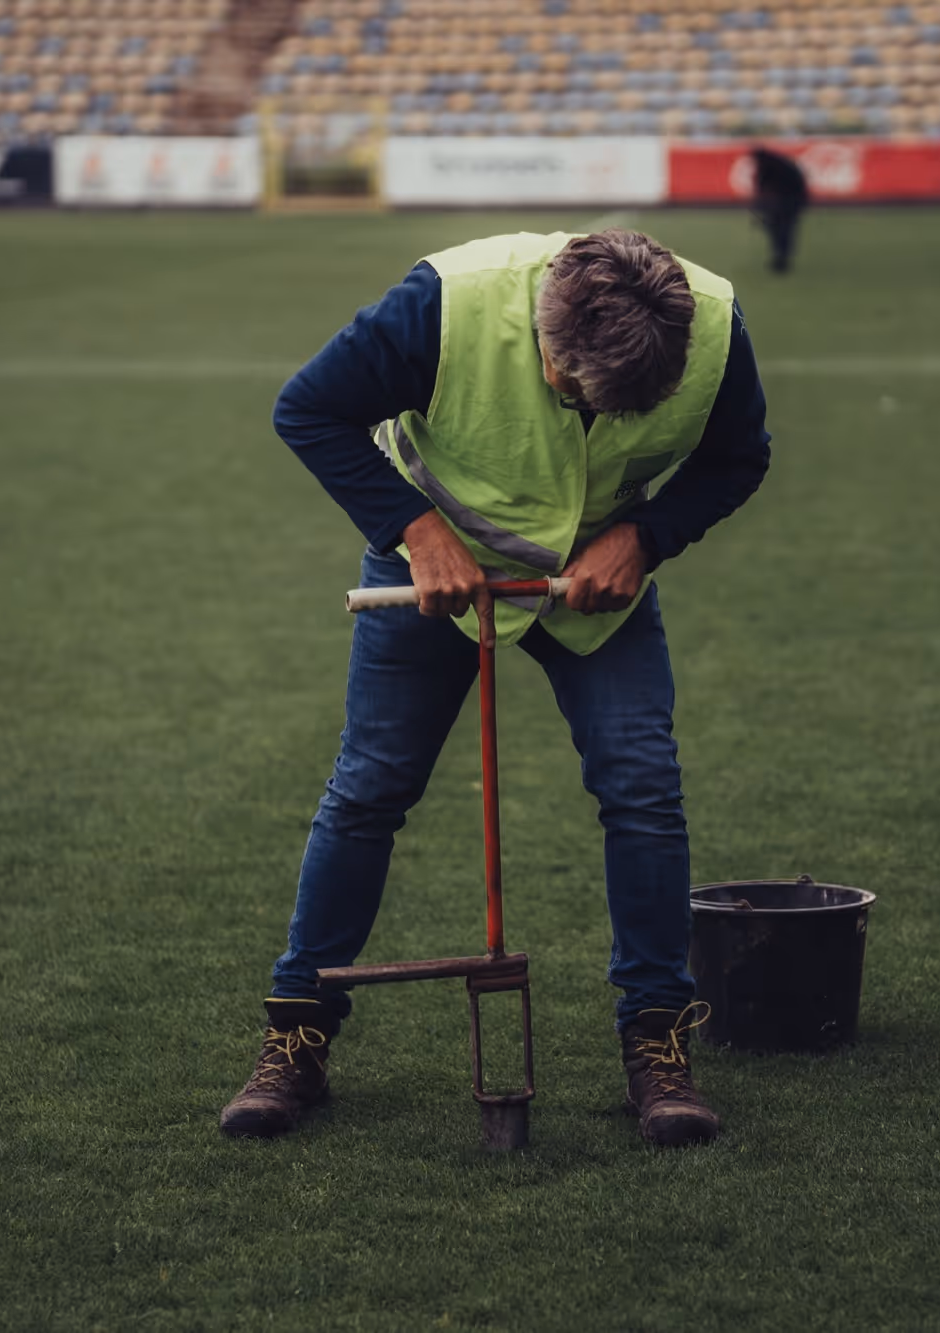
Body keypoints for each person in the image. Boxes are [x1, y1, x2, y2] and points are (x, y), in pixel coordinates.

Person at [222, 229, 771, 1147]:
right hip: (437, 570)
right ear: (544, 333)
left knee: (642, 786)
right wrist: (415, 529)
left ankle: (657, 1040)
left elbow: (737, 457)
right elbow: (308, 407)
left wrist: (645, 537)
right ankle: (296, 1035)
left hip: (595, 582)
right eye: (573, 390)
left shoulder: (713, 328)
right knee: (370, 786)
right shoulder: (444, 306)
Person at [750, 145, 810, 274]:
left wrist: (760, 209)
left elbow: (762, 187)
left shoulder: (770, 167)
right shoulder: (779, 164)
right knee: (783, 230)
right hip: (790, 203)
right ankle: (781, 257)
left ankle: (781, 258)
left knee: (780, 230)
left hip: (787, 203)